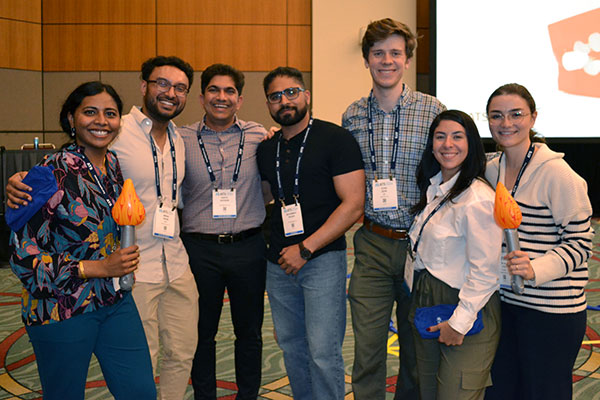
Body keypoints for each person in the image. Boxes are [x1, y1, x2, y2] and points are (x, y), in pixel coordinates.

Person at [8, 56, 200, 400]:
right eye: (90, 112)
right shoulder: (46, 173)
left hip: (112, 299)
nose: (101, 121)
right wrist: (96, 268)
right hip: (61, 308)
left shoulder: (112, 165)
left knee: (140, 390)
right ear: (71, 118)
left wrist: (109, 273)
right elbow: (22, 260)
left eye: (110, 114)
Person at [342, 18, 446, 399]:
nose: (387, 60)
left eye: (395, 53)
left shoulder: (433, 109)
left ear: (407, 60)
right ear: (367, 59)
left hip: (421, 246)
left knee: (416, 350)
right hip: (371, 243)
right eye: (378, 53)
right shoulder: (352, 115)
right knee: (367, 349)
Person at [257, 66, 365, 400]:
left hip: (321, 260)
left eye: (291, 92)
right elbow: (263, 200)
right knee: (291, 347)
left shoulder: (336, 139)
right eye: (275, 96)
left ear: (306, 96)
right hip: (278, 264)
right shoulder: (266, 148)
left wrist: (305, 249)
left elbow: (353, 205)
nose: (284, 101)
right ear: (268, 104)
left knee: (322, 352)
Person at [483, 83, 594, 400]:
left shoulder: (557, 174)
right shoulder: (491, 169)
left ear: (533, 117)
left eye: (516, 114)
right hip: (506, 304)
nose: (506, 123)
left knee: (544, 392)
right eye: (497, 116)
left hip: (552, 311)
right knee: (502, 391)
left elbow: (581, 243)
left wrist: (536, 268)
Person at [177, 63, 268, 400]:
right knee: (201, 333)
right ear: (201, 97)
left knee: (249, 333)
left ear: (240, 100)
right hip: (199, 251)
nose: (221, 97)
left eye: (229, 91)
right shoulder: (181, 138)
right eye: (214, 90)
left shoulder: (259, 135)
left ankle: (248, 395)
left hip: (248, 247)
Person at [407, 110, 502, 400]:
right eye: (440, 136)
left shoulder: (478, 198)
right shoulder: (435, 188)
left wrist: (459, 323)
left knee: (455, 393)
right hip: (427, 300)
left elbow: (486, 271)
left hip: (466, 306)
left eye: (457, 136)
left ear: (471, 143)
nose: (448, 144)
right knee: (429, 390)